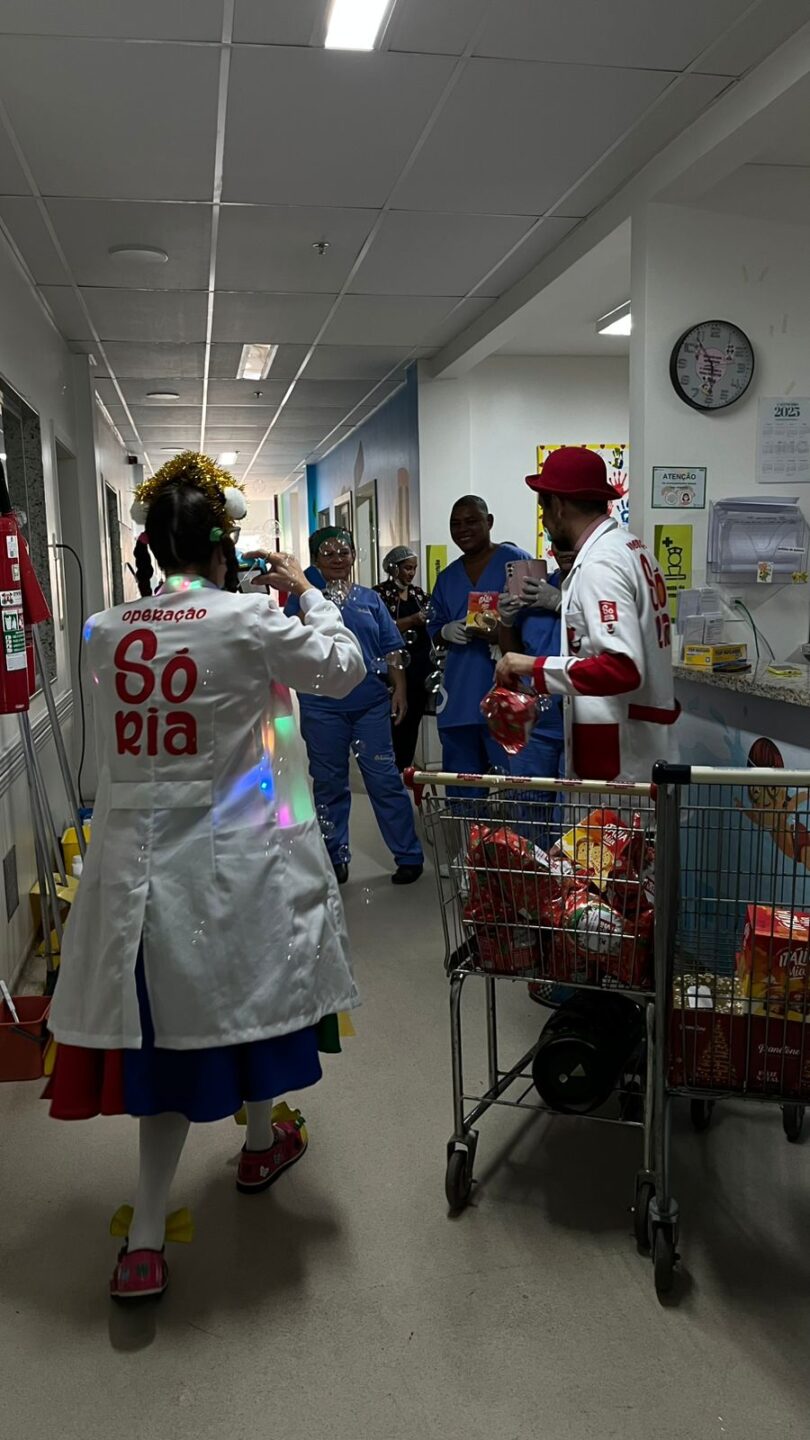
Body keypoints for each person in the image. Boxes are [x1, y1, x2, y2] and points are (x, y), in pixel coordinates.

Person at [45, 451, 366, 1302]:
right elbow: (345, 668)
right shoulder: (250, 621)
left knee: (177, 1036)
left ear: (149, 543)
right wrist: (310, 593)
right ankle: (200, 1189)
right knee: (239, 1011)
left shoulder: (108, 631)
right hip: (239, 862)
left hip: (143, 874)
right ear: (225, 547)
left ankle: (159, 1227)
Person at [496, 447, 678, 783]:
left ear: (559, 506)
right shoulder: (630, 549)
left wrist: (529, 666)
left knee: (609, 834)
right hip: (633, 738)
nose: (545, 522)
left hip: (618, 754)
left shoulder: (601, 564)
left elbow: (622, 669)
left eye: (543, 509)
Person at [286, 527, 424, 886]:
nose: (337, 559)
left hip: (370, 704)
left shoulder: (370, 599)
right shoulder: (301, 598)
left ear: (354, 557)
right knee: (329, 783)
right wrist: (308, 600)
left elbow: (392, 647)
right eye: (328, 553)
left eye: (343, 552)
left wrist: (400, 689)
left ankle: (408, 855)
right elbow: (291, 640)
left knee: (384, 780)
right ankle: (335, 857)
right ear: (315, 560)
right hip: (322, 706)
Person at [427, 496, 530, 778]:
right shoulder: (447, 578)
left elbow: (535, 623)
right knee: (463, 788)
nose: (463, 529)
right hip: (460, 695)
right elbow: (433, 629)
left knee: (515, 784)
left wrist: (503, 631)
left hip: (506, 694)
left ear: (489, 522)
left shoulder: (516, 562)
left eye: (471, 521)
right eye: (455, 524)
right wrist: (445, 631)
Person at [374, 545, 430, 771]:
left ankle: (406, 766)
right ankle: (390, 767)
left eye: (414, 568)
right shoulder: (379, 594)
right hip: (393, 666)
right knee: (395, 718)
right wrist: (413, 620)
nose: (411, 573)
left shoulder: (418, 594)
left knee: (414, 718)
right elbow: (380, 629)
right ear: (393, 568)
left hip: (419, 666)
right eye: (407, 568)